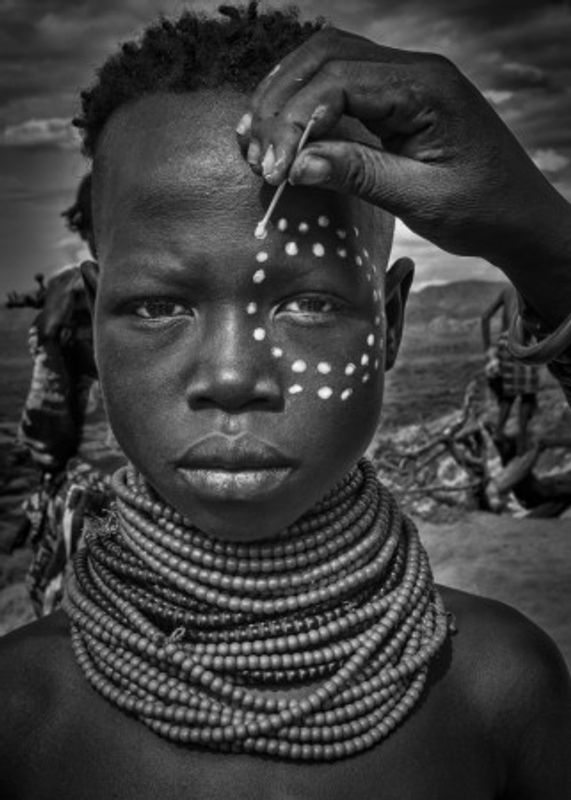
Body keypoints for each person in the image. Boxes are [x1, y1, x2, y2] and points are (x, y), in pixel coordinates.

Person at [1, 5, 571, 798]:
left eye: (308, 305)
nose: (233, 376)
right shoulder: (20, 711)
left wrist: (548, 244)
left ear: (391, 319)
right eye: (158, 307)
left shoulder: (502, 686)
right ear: (91, 321)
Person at [18, 174, 125, 616]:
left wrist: (45, 461)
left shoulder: (67, 295)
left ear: (84, 226)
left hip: (96, 490)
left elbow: (48, 414)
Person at [482, 285, 541, 454]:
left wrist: (488, 350)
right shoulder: (530, 288)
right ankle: (521, 442)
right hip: (527, 341)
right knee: (527, 396)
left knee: (508, 395)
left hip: (506, 343)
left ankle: (500, 434)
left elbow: (485, 317)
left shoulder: (507, 290)